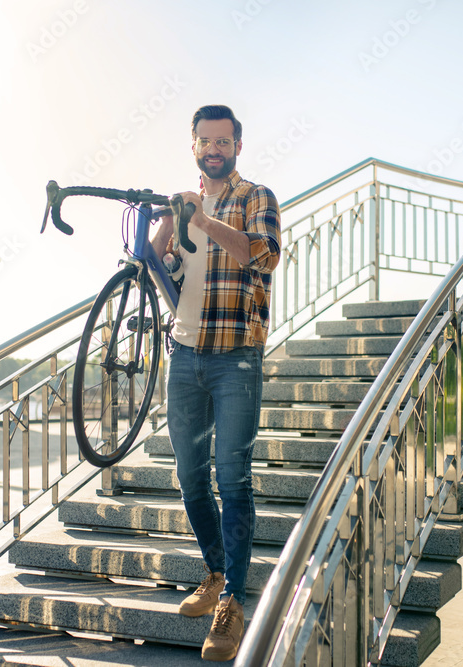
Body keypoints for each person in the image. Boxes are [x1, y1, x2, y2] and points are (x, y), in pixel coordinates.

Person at [151, 104, 281, 661]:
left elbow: (263, 254)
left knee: (233, 477)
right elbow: (158, 265)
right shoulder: (183, 203)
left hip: (236, 359)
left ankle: (232, 599)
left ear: (237, 147)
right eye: (205, 140)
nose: (213, 149)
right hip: (184, 355)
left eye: (223, 141)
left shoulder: (257, 197)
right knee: (189, 475)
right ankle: (214, 570)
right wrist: (166, 222)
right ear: (194, 144)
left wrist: (204, 221)